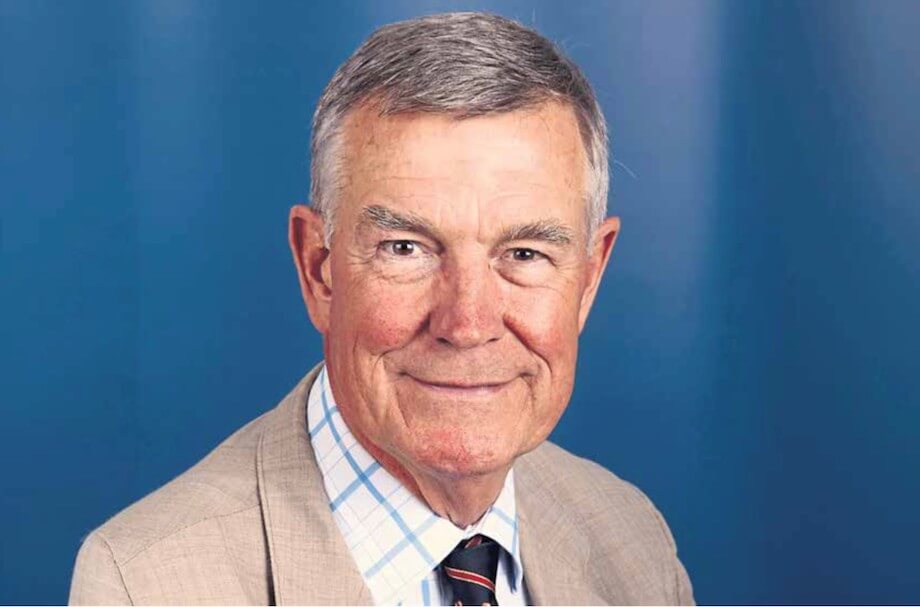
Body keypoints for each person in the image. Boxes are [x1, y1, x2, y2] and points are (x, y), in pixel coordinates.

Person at [69, 12, 693, 605]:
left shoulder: (631, 538)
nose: (468, 324)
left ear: (588, 278)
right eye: (406, 248)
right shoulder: (145, 582)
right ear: (319, 269)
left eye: (525, 254)